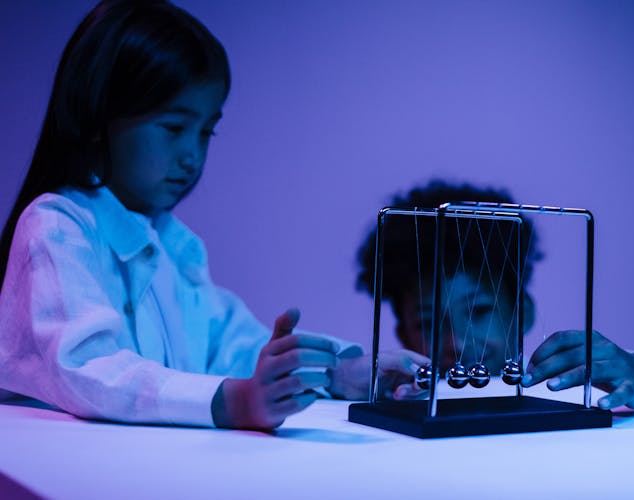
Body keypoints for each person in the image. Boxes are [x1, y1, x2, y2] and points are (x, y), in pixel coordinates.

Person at [0, 0, 427, 431]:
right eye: (173, 128)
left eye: (206, 131)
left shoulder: (173, 245)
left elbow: (238, 346)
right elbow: (89, 370)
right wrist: (234, 402)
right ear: (97, 117)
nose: (192, 155)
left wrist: (339, 370)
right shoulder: (56, 226)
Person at [355, 180, 634, 409]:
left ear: (522, 311)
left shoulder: (571, 385)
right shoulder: (395, 395)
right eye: (427, 322)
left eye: (477, 310)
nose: (457, 342)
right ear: (404, 335)